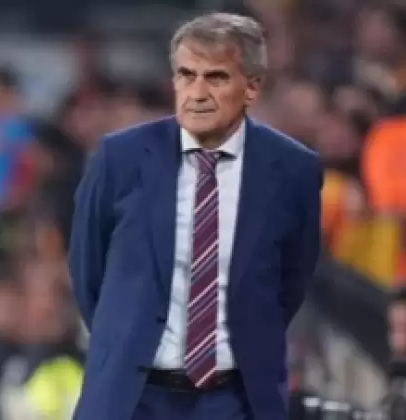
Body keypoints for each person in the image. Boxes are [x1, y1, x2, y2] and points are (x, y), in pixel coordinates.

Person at [68, 12, 322, 420]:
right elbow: (88, 271)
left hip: (235, 400)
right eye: (187, 75)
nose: (197, 92)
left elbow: (291, 280)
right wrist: (124, 341)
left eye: (216, 77)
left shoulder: (294, 169)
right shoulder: (121, 157)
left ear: (252, 86)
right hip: (131, 397)